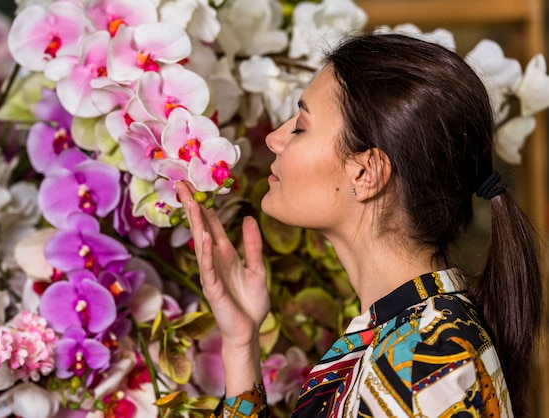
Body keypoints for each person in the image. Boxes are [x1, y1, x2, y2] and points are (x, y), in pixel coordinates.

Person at [175, 33, 543, 417]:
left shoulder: (426, 364)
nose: (273, 138)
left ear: (366, 172)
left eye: (300, 127)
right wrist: (240, 342)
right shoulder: (414, 336)